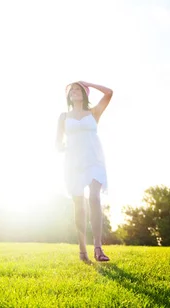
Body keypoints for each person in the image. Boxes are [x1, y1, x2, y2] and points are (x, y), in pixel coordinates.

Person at [56, 81, 113, 263]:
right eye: (71, 89)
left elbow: (109, 92)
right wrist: (62, 147)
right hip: (73, 163)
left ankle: (98, 247)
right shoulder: (63, 117)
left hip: (94, 160)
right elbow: (57, 143)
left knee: (95, 198)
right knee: (79, 206)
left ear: (85, 93)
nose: (74, 91)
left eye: (78, 89)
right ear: (68, 96)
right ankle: (82, 249)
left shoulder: (93, 113)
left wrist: (87, 83)